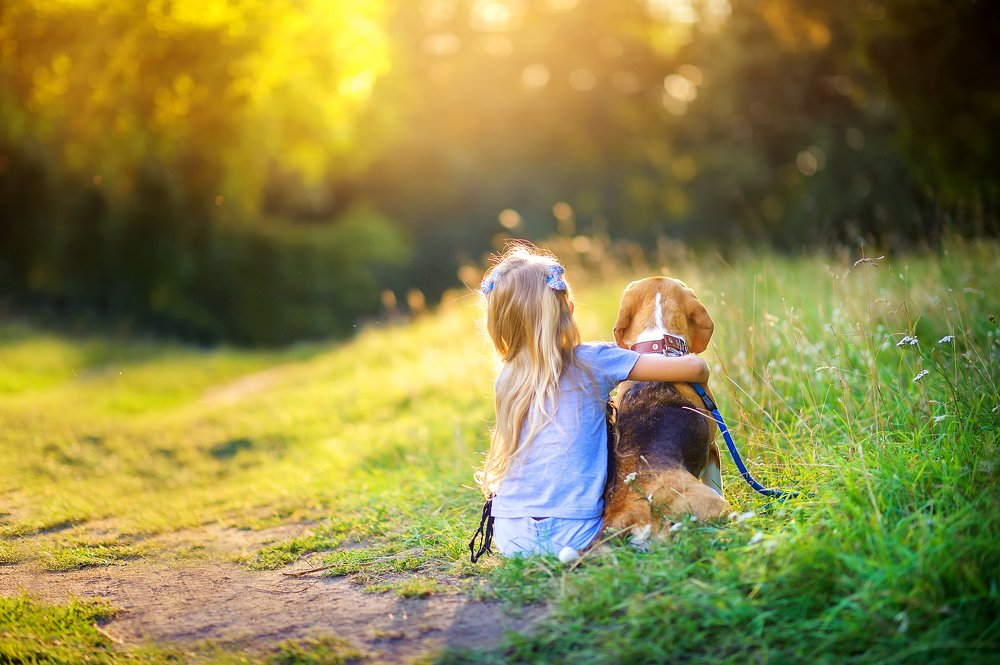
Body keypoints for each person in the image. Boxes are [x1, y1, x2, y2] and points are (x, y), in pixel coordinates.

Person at [475, 244, 710, 557]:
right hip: (575, 531)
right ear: (569, 309)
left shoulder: (507, 380)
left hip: (510, 535)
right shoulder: (595, 361)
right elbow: (694, 368)